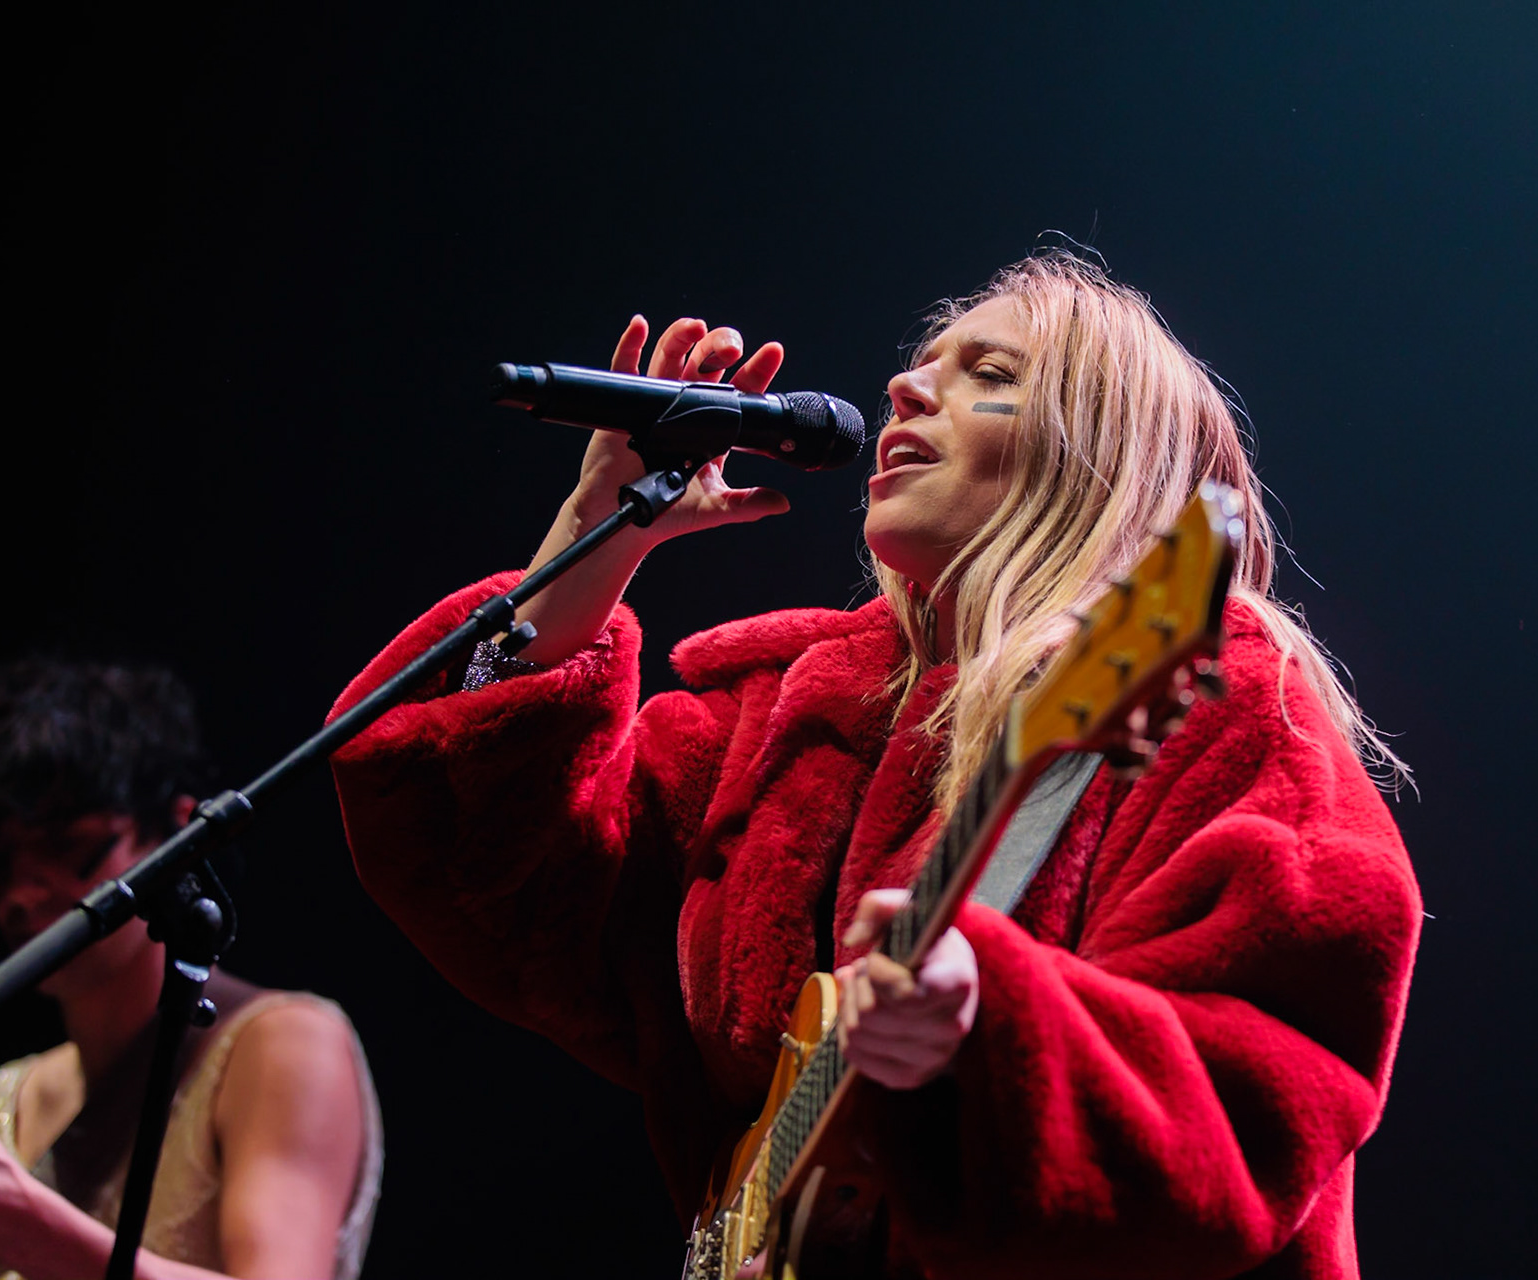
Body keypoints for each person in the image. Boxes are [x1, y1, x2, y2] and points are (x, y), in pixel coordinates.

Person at [331, 251, 1421, 1279]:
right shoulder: (794, 710)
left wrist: (989, 1027)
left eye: (990, 374)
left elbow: (1265, 1082)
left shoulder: (1219, 698)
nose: (902, 385)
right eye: (922, 362)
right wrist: (600, 529)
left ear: (1097, 453)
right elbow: (512, 893)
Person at [0, 661, 383, 1280]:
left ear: (175, 838)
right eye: (2, 861)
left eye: (64, 845)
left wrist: (13, 1219)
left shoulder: (283, 1042)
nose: (22, 895)